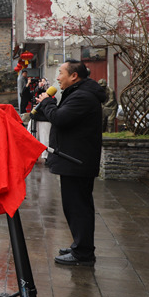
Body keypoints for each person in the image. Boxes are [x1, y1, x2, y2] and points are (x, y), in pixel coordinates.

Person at [35, 60, 105, 266]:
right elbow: (61, 118)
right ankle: (80, 245)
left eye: (61, 73)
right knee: (75, 206)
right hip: (74, 159)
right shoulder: (78, 93)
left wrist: (47, 102)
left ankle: (83, 253)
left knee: (78, 208)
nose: (57, 78)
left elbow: (60, 119)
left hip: (77, 161)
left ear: (74, 76)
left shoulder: (82, 96)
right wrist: (46, 106)